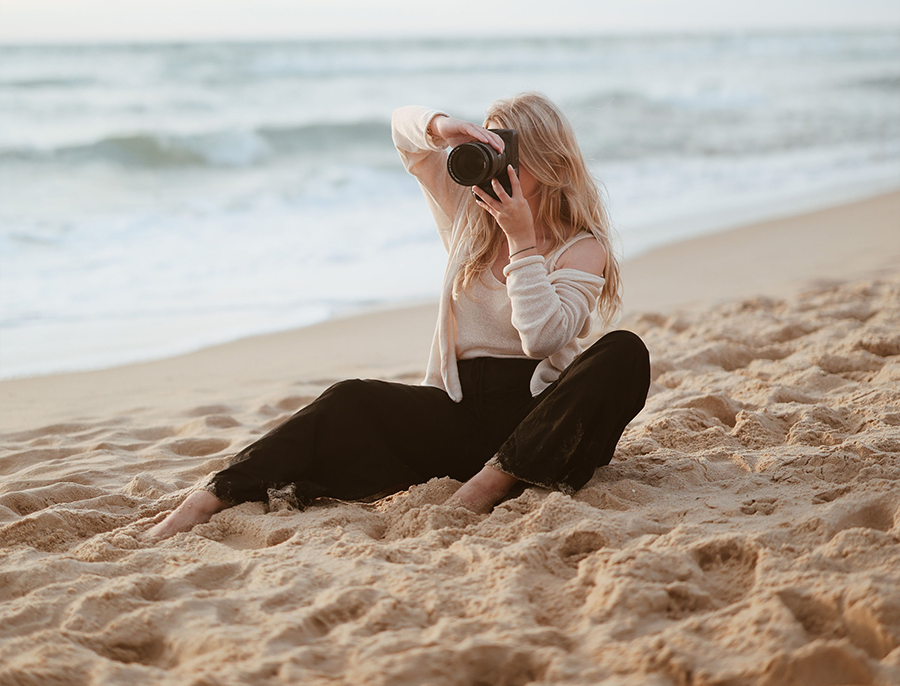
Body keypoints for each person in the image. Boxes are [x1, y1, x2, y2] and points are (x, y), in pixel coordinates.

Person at [149, 93, 650, 538]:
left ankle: (492, 483)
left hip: (546, 417)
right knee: (350, 397)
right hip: (461, 413)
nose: (499, 162)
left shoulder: (581, 247)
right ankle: (210, 497)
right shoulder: (467, 213)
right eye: (492, 147)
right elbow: (403, 134)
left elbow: (541, 340)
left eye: (510, 150)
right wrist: (443, 127)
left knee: (624, 350)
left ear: (549, 160)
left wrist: (521, 242)